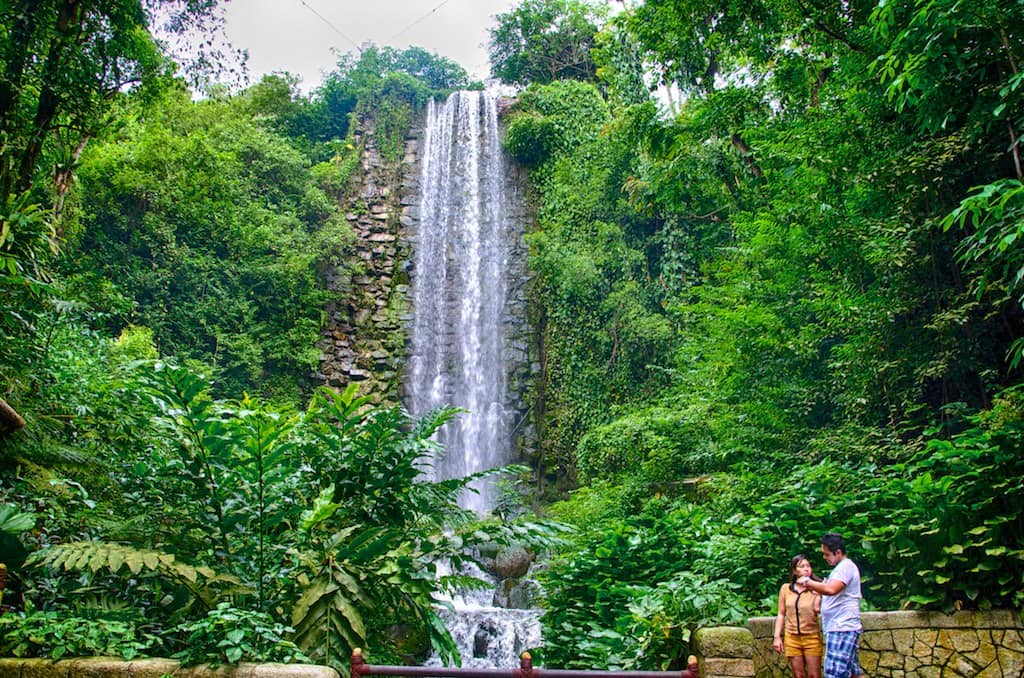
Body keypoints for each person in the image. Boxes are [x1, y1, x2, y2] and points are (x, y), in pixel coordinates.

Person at [798, 532, 863, 678]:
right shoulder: (841, 568)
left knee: (834, 674)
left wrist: (808, 582)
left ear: (838, 552)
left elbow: (831, 589)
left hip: (841, 628)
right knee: (853, 674)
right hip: (840, 627)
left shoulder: (846, 567)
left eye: (827, 554)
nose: (824, 557)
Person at [772, 554, 823, 678]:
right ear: (795, 571)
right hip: (792, 636)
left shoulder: (817, 588)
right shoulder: (786, 589)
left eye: (808, 566)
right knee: (798, 674)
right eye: (802, 566)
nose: (806, 569)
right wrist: (777, 637)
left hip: (811, 635)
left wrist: (817, 594)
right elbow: (781, 613)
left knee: (814, 675)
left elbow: (818, 609)